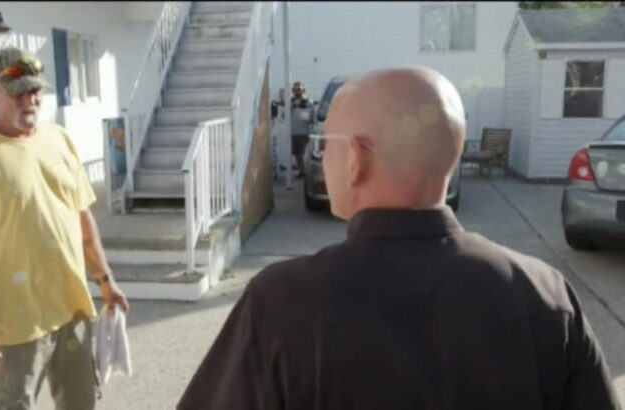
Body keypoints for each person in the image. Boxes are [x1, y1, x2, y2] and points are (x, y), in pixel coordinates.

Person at [177, 68, 618, 409]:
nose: (321, 155)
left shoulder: (280, 302)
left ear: (356, 158)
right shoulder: (544, 295)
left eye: (325, 142)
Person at [0, 47, 129, 410]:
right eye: (17, 92)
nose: (30, 100)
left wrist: (105, 279)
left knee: (81, 403)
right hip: (13, 326)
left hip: (72, 310)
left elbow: (82, 217)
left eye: (35, 91)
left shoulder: (58, 139)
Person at [290, 81, 314, 177]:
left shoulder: (308, 102)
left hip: (304, 133)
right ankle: (302, 171)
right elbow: (284, 115)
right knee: (297, 154)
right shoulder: (290, 102)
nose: (297, 91)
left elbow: (311, 117)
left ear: (303, 90)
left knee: (306, 154)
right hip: (294, 132)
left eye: (299, 89)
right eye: (295, 89)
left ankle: (308, 172)